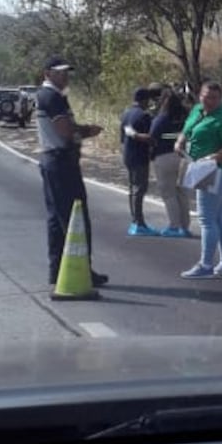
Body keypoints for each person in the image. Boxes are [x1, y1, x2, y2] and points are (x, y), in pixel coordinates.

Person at [36, 57, 107, 290]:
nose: (65, 76)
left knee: (58, 218)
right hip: (59, 161)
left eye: (67, 72)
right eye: (60, 72)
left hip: (56, 160)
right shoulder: (52, 97)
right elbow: (65, 130)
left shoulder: (53, 96)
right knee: (73, 218)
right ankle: (79, 269)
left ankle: (57, 270)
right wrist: (87, 131)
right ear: (47, 73)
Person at [175, 80, 222, 278]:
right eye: (205, 96)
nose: (209, 101)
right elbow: (187, 130)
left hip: (215, 171)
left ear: (219, 98)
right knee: (218, 217)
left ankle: (206, 264)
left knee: (207, 219)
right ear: (199, 95)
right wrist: (180, 141)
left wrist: (212, 159)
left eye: (213, 97)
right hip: (196, 166)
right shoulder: (197, 110)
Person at [149, 85, 193, 237]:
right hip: (183, 157)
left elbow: (152, 136)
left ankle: (174, 226)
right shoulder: (186, 117)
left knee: (168, 193)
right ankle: (185, 227)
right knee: (182, 193)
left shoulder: (161, 118)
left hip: (164, 156)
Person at [121, 85, 158, 236]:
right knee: (139, 189)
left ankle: (134, 219)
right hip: (140, 156)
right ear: (145, 100)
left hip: (127, 154)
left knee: (132, 188)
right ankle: (139, 222)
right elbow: (151, 138)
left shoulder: (126, 114)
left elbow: (122, 138)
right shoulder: (144, 116)